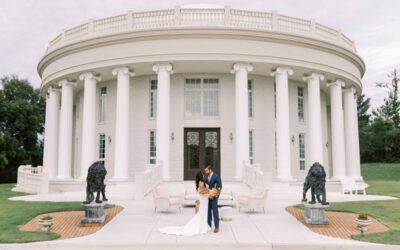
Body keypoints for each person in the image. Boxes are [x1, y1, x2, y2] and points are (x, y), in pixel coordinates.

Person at [158, 171, 211, 236]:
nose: (204, 176)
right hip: (204, 200)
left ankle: (204, 226)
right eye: (202, 175)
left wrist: (208, 191)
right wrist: (209, 191)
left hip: (204, 199)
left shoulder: (201, 182)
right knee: (202, 213)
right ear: (200, 176)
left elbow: (203, 191)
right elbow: (202, 192)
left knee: (204, 213)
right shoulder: (201, 182)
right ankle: (201, 227)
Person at [203, 165, 222, 233]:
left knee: (215, 211)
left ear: (210, 170)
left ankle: (216, 227)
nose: (205, 172)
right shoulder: (205, 177)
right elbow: (204, 186)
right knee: (208, 211)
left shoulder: (216, 176)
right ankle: (209, 225)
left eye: (206, 170)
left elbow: (219, 186)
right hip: (207, 197)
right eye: (205, 171)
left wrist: (216, 194)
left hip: (214, 197)